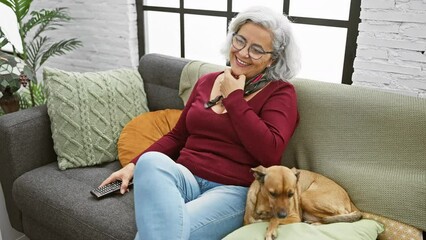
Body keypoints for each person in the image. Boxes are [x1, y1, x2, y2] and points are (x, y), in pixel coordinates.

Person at [101, 6, 301, 240]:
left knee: (164, 233)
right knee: (150, 161)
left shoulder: (281, 93)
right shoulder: (207, 81)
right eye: (240, 41)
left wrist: (234, 99)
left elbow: (270, 153)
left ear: (272, 59)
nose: (244, 53)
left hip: (231, 190)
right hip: (184, 178)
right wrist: (132, 166)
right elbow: (178, 136)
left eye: (257, 50)